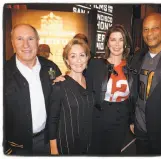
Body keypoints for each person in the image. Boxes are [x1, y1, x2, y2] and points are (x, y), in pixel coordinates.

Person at [4, 24, 61, 155]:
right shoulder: (4, 72)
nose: (26, 45)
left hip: (46, 143)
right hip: (15, 147)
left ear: (37, 41)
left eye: (30, 38)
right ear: (12, 43)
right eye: (19, 39)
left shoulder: (50, 67)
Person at [129, 13, 161, 155]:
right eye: (145, 29)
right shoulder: (137, 57)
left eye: (154, 28)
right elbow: (133, 91)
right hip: (140, 129)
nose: (149, 33)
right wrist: (132, 120)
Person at [86, 24, 133, 155]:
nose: (117, 44)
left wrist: (132, 120)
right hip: (97, 117)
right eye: (113, 39)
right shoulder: (95, 64)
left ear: (125, 43)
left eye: (121, 39)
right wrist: (64, 78)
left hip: (121, 118)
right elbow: (82, 83)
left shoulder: (132, 66)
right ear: (107, 43)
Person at [48, 38, 94, 155]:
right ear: (67, 60)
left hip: (89, 141)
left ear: (87, 58)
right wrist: (54, 150)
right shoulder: (59, 86)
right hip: (68, 144)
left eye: (82, 55)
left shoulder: (91, 82)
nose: (78, 60)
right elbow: (52, 120)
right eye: (73, 56)